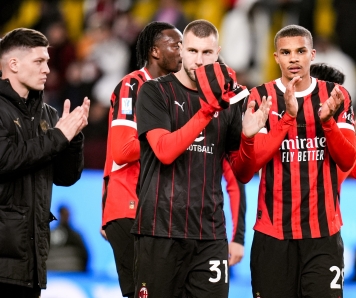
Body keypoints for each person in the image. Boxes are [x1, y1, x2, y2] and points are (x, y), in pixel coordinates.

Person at [246, 25, 356, 298]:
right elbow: (247, 167)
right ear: (276, 56)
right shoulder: (261, 98)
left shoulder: (338, 100)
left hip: (322, 233)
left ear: (311, 55)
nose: (294, 59)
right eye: (286, 52)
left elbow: (355, 167)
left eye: (300, 51)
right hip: (274, 234)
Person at [132, 19, 271, 298]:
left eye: (207, 53)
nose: (199, 60)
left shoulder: (231, 101)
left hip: (210, 234)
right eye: (193, 51)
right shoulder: (154, 92)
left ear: (217, 52)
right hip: (160, 229)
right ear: (181, 50)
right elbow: (165, 151)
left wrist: (248, 137)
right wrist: (207, 111)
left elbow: (242, 174)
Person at [0, 28, 89, 297]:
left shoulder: (48, 115)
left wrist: (72, 138)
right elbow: (5, 159)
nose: (47, 69)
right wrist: (59, 136)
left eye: (48, 61)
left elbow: (65, 177)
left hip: (33, 263)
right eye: (39, 61)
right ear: (13, 64)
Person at [100, 21, 182, 298]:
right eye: (175, 45)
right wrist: (172, 137)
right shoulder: (132, 85)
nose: (181, 51)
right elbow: (122, 151)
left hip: (157, 210)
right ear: (155, 52)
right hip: (128, 205)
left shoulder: (173, 91)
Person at [48, 205, 89, 272]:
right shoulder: (51, 234)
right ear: (59, 215)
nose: (65, 217)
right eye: (63, 214)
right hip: (52, 274)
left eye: (67, 214)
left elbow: (85, 255)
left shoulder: (75, 236)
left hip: (73, 273)